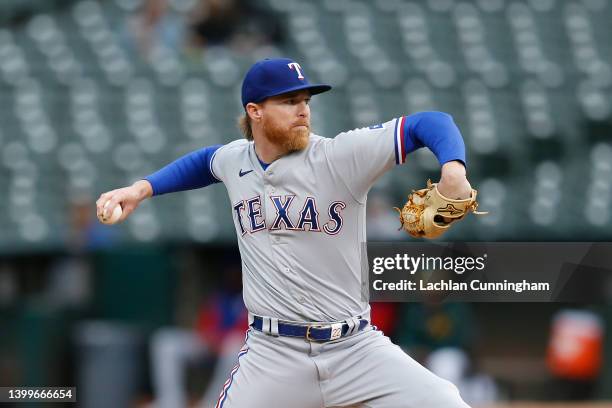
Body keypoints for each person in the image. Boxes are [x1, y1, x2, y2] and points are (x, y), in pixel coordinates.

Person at [96, 58, 474, 407]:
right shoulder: (235, 160)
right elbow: (203, 162)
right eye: (289, 101)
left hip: (356, 347)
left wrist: (453, 170)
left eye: (306, 100)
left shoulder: (340, 156)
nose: (303, 109)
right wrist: (140, 189)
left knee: (445, 401)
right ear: (254, 111)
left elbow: (431, 122)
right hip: (274, 353)